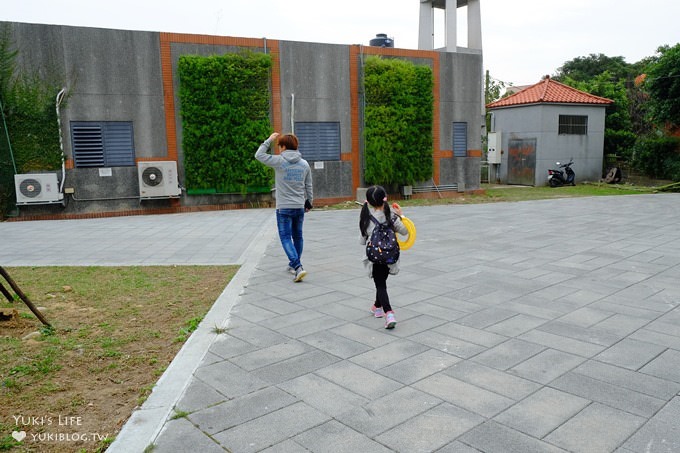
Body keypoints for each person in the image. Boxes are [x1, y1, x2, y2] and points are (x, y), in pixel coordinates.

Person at [255, 132, 313, 282]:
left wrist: (268, 140)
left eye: (279, 146)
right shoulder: (304, 164)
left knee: (286, 237)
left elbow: (258, 155)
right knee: (298, 236)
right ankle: (295, 265)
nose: (278, 149)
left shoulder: (279, 161)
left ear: (284, 146)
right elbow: (309, 185)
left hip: (283, 208)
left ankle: (297, 266)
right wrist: (309, 201)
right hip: (299, 206)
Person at [359, 185, 407, 329]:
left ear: (368, 201)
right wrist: (401, 215)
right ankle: (377, 307)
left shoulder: (366, 218)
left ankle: (389, 313)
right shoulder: (392, 216)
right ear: (384, 199)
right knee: (381, 283)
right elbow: (404, 231)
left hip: (375, 257)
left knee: (380, 285)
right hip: (390, 256)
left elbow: (362, 241)